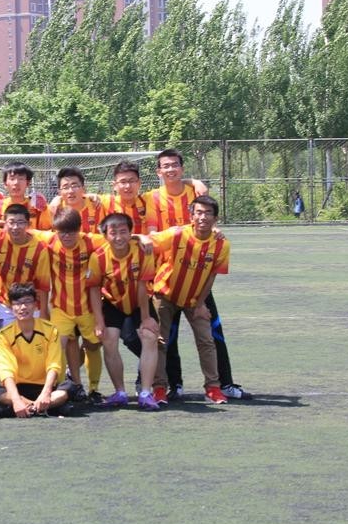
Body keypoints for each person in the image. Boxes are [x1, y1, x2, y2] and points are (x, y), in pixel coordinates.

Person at [145, 149, 248, 400]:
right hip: (166, 277)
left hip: (198, 282)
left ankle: (221, 384)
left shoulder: (195, 192)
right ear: (158, 171)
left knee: (210, 335)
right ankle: (168, 385)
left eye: (175, 165)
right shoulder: (151, 198)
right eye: (165, 166)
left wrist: (194, 181)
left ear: (182, 168)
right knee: (164, 338)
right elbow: (150, 236)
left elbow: (208, 209)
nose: (171, 170)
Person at [149, 195, 230, 406]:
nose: (203, 217)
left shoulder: (221, 244)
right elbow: (150, 241)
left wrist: (201, 303)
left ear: (216, 219)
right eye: (199, 212)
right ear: (191, 216)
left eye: (208, 213)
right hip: (165, 295)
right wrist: (130, 237)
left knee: (206, 341)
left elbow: (211, 276)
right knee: (160, 342)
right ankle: (159, 388)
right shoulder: (177, 234)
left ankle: (213, 388)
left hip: (194, 299)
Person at [87, 213, 161, 411]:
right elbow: (94, 289)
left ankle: (146, 393)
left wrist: (145, 318)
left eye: (123, 232)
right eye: (113, 233)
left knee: (149, 336)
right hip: (113, 303)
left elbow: (143, 285)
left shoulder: (142, 251)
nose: (118, 237)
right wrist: (99, 321)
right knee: (108, 339)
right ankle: (119, 392)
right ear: (105, 235)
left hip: (139, 303)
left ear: (130, 233)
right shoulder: (98, 257)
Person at [35, 208, 106, 401]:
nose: (66, 236)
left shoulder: (91, 241)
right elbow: (24, 230)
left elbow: (117, 238)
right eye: (62, 232)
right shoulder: (50, 240)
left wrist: (141, 238)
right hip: (61, 308)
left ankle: (94, 389)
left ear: (79, 229)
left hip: (88, 308)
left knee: (93, 346)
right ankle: (69, 386)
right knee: (59, 345)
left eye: (71, 231)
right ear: (55, 230)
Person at [0, 283, 74, 419]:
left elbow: (54, 365)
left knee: (71, 387)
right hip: (19, 388)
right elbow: (6, 371)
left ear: (35, 304)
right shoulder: (3, 335)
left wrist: (46, 393)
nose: (23, 307)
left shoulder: (50, 330)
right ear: (11, 307)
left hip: (45, 386)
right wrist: (16, 399)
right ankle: (44, 408)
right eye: (17, 303)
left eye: (27, 302)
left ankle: (19, 409)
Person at [0, 203, 52, 331]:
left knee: (33, 340)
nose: (15, 227)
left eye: (20, 222)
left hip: (31, 304)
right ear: (5, 223)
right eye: (11, 222)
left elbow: (43, 285)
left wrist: (44, 311)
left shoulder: (39, 248)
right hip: (4, 303)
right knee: (5, 339)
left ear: (28, 224)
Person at [0, 161, 51, 230]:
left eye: (21, 179)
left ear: (28, 183)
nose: (16, 183)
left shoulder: (37, 206)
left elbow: (47, 231)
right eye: (12, 179)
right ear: (5, 183)